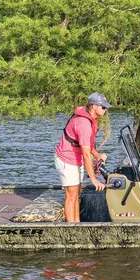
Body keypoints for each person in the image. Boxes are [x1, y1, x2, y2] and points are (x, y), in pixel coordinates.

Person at [54, 92, 111, 222]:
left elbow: (87, 145)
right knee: (71, 196)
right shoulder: (83, 124)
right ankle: (71, 230)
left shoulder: (92, 118)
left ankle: (77, 225)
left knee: (76, 194)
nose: (105, 110)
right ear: (93, 106)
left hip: (76, 158)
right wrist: (94, 180)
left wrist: (97, 154)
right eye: (103, 107)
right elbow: (86, 155)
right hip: (66, 159)